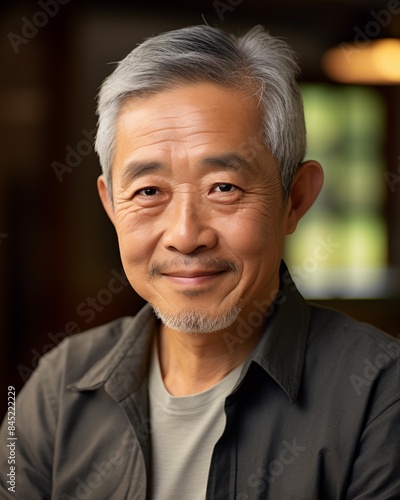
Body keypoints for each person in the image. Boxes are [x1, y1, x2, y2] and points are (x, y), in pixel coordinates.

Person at [1, 24, 399, 500]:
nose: (186, 236)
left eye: (224, 188)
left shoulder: (379, 395)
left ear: (294, 199)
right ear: (111, 206)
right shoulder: (56, 388)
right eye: (149, 192)